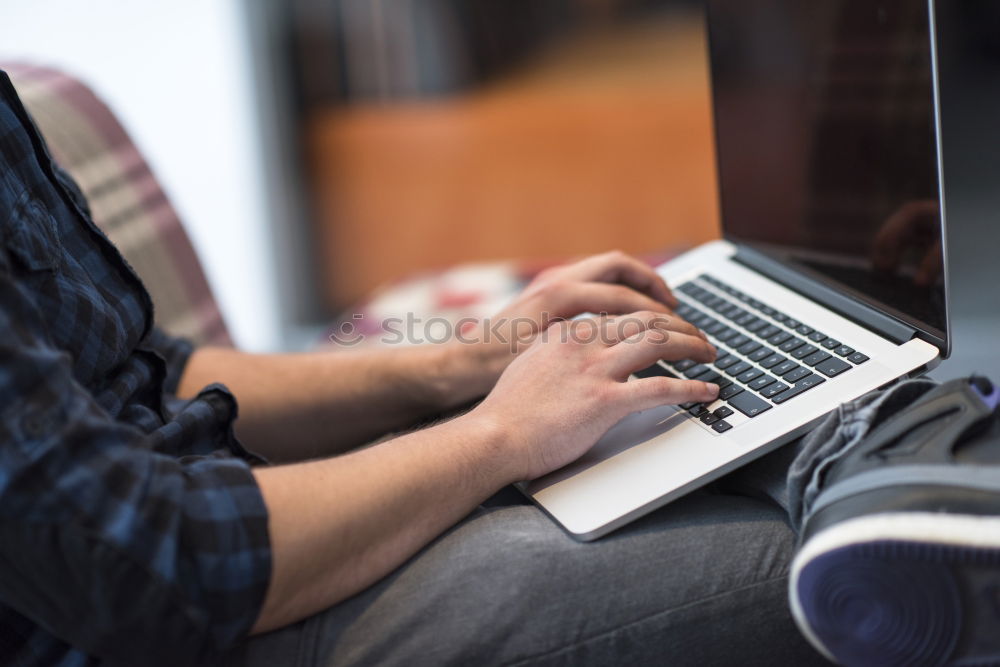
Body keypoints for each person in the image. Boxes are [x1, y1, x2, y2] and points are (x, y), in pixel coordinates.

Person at [2, 67, 997, 667]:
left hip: (238, 516)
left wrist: (464, 361)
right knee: (878, 565)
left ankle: (876, 430)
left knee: (705, 383)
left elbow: (158, 372)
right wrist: (496, 432)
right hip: (206, 628)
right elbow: (155, 563)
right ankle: (894, 443)